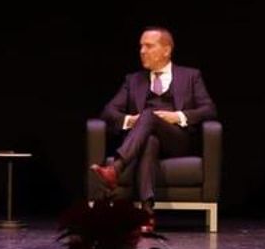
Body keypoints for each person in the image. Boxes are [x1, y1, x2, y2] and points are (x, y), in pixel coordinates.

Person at [90, 27, 217, 209]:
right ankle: (147, 213)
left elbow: (209, 109)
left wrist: (178, 116)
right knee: (150, 140)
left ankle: (117, 167)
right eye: (141, 47)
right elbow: (108, 111)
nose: (142, 51)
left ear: (166, 50)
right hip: (142, 142)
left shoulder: (191, 76)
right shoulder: (132, 80)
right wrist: (129, 120)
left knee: (149, 113)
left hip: (177, 140)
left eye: (149, 46)